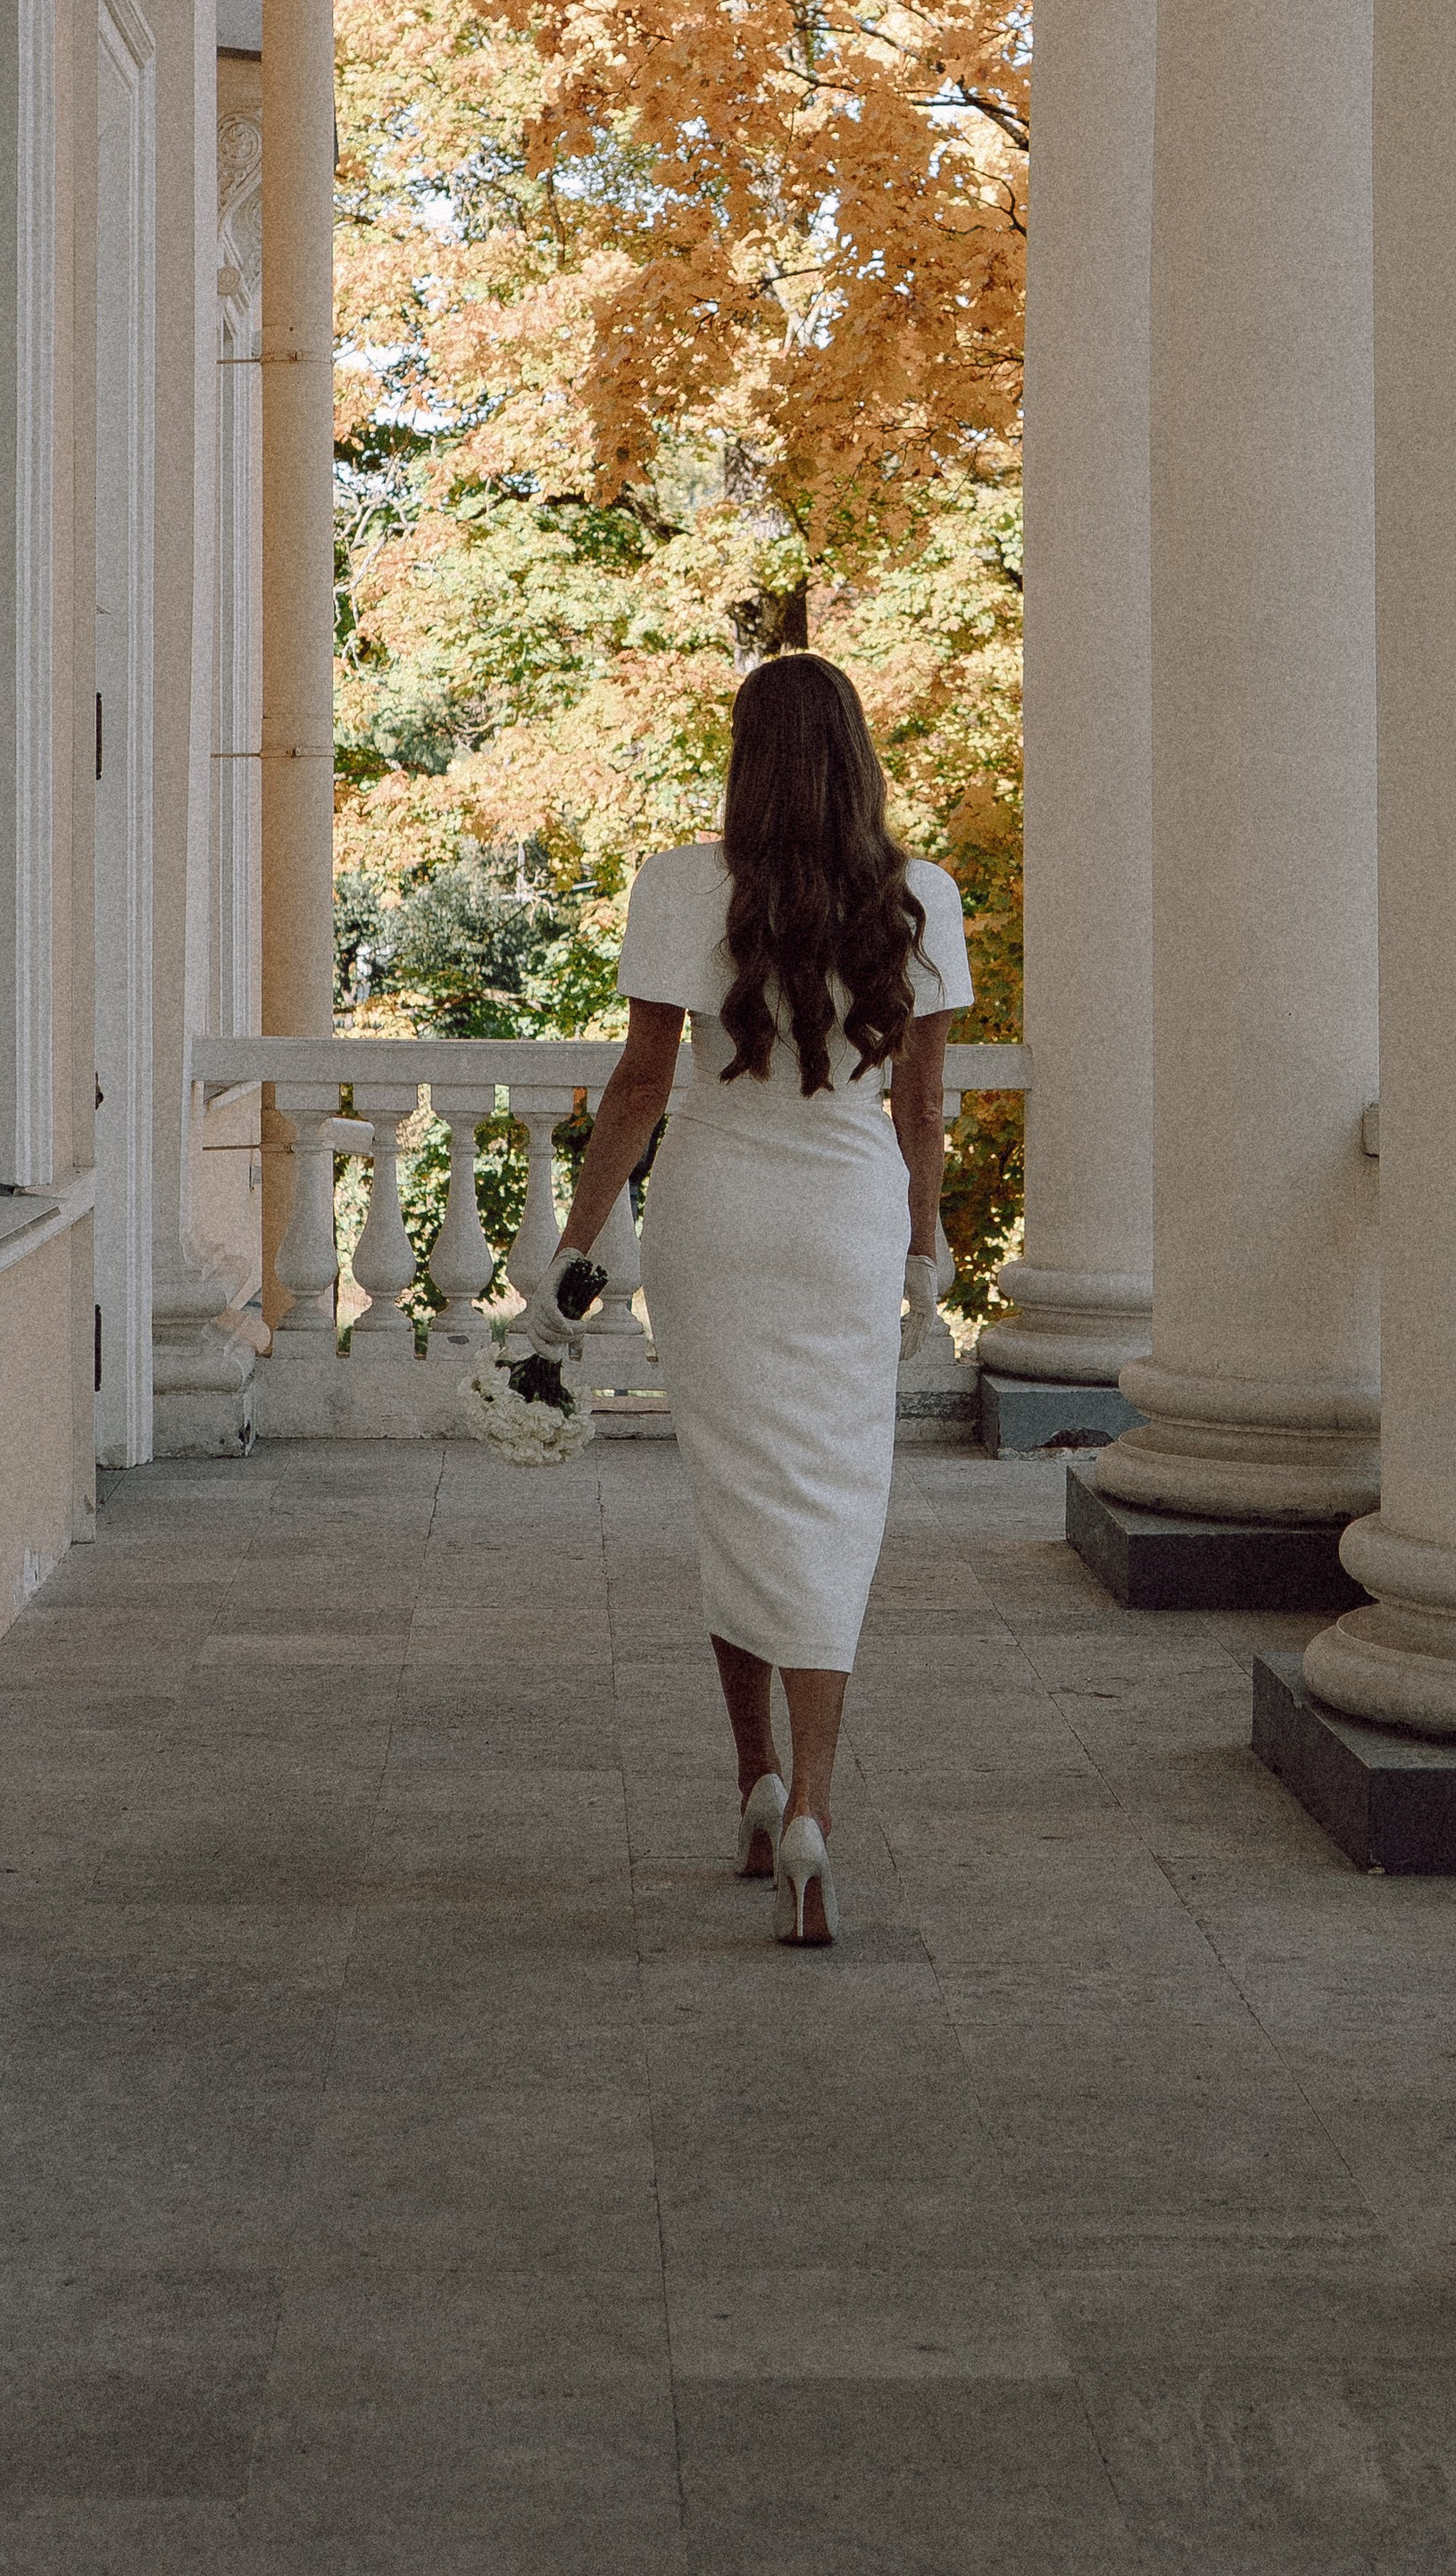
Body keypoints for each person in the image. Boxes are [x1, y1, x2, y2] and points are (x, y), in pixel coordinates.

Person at [518, 653, 973, 1945]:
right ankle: (817, 1816)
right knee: (832, 1498)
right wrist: (925, 1257)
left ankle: (754, 1782)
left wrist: (573, 1245)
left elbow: (642, 1087)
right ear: (859, 755)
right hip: (847, 1220)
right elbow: (925, 1109)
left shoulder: (682, 886)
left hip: (716, 1217)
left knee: (737, 1492)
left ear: (744, 754)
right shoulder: (922, 897)